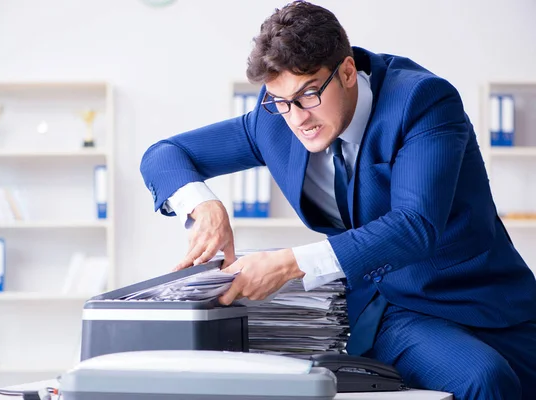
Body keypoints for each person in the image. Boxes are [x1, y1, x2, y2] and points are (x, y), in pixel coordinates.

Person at [140, 1, 536, 398]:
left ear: (347, 71)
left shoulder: (422, 102)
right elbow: (164, 154)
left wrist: (289, 264)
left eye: (308, 95)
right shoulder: (273, 121)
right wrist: (205, 207)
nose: (297, 118)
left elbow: (416, 225)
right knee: (484, 379)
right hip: (395, 307)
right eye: (280, 100)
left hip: (490, 299)